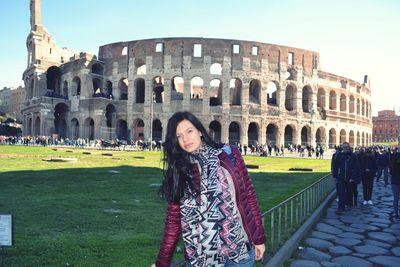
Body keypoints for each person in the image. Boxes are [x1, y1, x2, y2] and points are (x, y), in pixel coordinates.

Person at [152, 111, 266, 267]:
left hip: (239, 252)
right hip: (200, 258)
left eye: (189, 131)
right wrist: (162, 263)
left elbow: (248, 196)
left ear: (199, 130)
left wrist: (258, 238)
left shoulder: (230, 154)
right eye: (179, 136)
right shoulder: (179, 170)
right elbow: (173, 222)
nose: (185, 139)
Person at [331, 142, 358, 214]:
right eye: (344, 147)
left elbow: (356, 168)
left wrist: (353, 177)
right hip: (341, 177)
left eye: (346, 147)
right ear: (342, 148)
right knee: (341, 193)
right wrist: (335, 176)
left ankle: (349, 204)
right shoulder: (339, 155)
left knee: (349, 193)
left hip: (350, 178)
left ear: (349, 148)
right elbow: (335, 167)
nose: (345, 148)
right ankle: (341, 208)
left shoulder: (353, 156)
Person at [389, 150, 400, 218]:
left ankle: (396, 212)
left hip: (394, 182)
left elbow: (391, 173)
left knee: (396, 198)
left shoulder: (392, 164)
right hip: (395, 182)